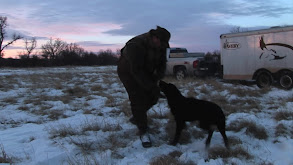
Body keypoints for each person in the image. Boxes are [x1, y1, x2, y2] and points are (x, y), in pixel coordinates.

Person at [117, 26, 171, 148]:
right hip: (127, 71)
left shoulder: (162, 45)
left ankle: (137, 116)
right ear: (155, 37)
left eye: (164, 43)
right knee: (137, 98)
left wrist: (157, 81)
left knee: (153, 96)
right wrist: (150, 86)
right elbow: (136, 70)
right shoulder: (135, 45)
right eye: (161, 42)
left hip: (145, 69)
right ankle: (143, 130)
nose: (162, 46)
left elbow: (162, 64)